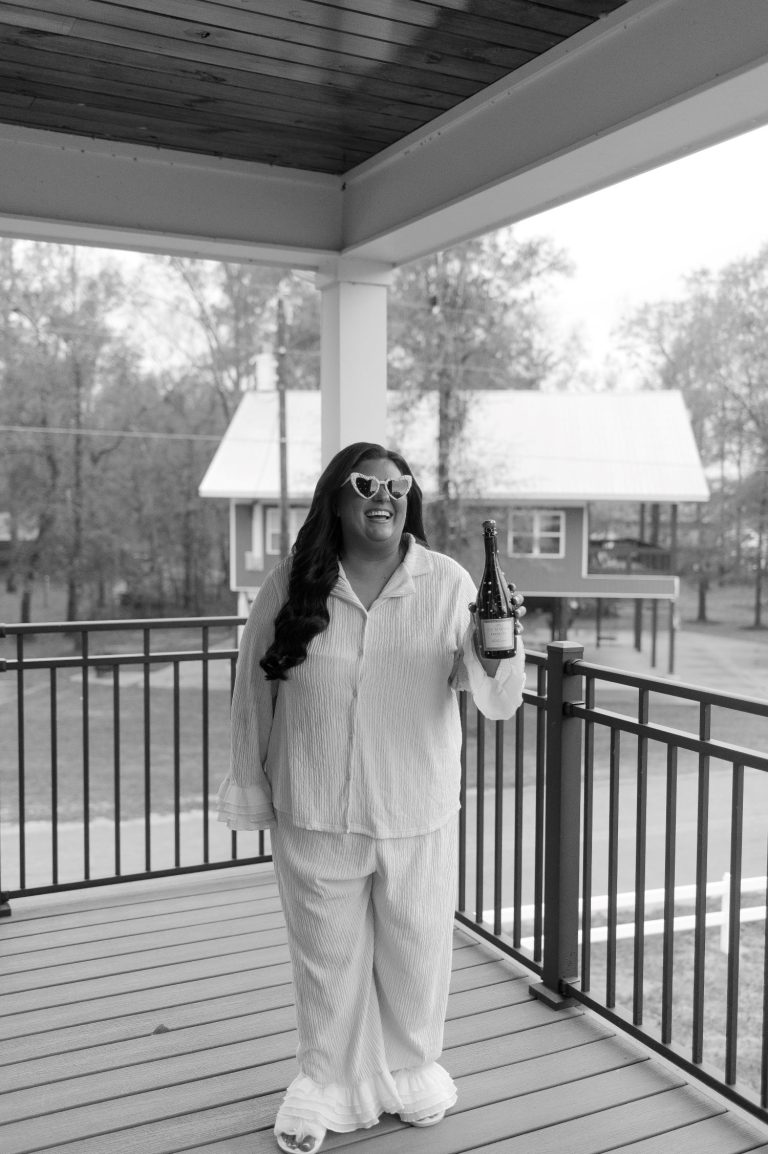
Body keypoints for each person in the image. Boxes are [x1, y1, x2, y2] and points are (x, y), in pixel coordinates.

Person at [217, 442, 526, 1154]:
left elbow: (491, 698)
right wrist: (252, 783)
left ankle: (411, 1068)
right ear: (337, 497)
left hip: (415, 806)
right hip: (314, 804)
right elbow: (251, 691)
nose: (383, 496)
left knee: (416, 952)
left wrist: (494, 649)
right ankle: (323, 1080)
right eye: (366, 484)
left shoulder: (449, 583)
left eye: (398, 485)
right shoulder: (291, 585)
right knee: (326, 958)